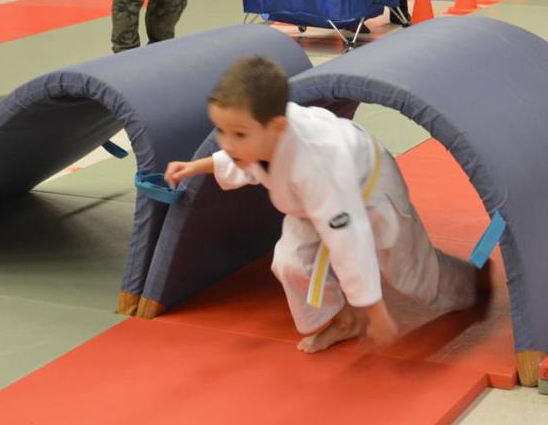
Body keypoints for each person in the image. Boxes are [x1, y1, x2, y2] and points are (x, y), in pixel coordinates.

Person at [164, 57, 488, 354]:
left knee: (410, 275)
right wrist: (195, 167)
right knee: (290, 263)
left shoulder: (316, 161)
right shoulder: (261, 131)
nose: (227, 142)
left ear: (277, 127)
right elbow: (241, 156)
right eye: (221, 131)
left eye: (237, 134)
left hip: (368, 184)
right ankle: (345, 321)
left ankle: (472, 284)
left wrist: (376, 310)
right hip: (311, 198)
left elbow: (348, 239)